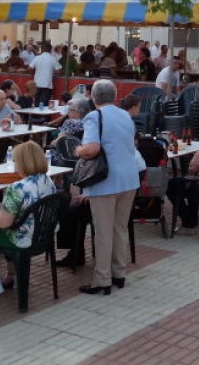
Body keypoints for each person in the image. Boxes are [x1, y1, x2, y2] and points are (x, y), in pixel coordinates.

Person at [75, 79, 141, 295]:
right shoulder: (125, 115)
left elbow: (92, 148)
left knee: (103, 232)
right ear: (114, 95)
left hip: (106, 181)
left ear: (93, 98)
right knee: (120, 228)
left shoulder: (94, 117)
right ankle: (119, 273)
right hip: (129, 179)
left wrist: (78, 150)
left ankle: (102, 279)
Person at [0, 140, 59, 295]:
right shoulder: (48, 181)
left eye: (16, 161)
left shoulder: (17, 187)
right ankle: (11, 275)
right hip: (43, 235)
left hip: (23, 240)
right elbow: (27, 207)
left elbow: (3, 223)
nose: (15, 165)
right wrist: (2, 206)